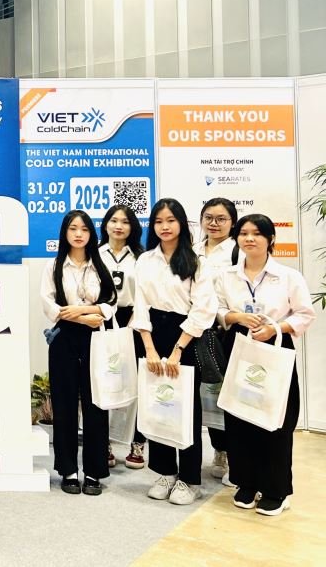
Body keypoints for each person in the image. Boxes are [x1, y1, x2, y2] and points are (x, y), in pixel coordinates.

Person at [215, 213, 315, 516]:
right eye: (243, 233)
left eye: (257, 233)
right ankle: (246, 482)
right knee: (239, 415)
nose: (249, 239)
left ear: (271, 239)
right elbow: (217, 309)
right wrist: (237, 317)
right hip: (239, 345)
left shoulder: (287, 276)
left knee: (275, 418)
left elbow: (305, 314)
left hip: (274, 346)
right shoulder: (227, 276)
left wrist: (275, 328)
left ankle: (275, 489)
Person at [132, 198, 218, 505]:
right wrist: (150, 349)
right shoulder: (145, 260)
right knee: (158, 403)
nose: (164, 227)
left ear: (181, 223)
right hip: (153, 334)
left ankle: (189, 479)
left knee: (186, 407)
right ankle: (165, 472)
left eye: (170, 220)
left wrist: (178, 349)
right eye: (159, 221)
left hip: (186, 336)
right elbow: (140, 305)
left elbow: (203, 309)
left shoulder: (196, 262)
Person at [40, 210, 117, 496]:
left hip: (96, 338)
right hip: (64, 338)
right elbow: (50, 306)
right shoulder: (54, 266)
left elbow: (111, 303)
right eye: (73, 228)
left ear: (91, 234)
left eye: (84, 229)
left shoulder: (100, 263)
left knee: (96, 404)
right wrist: (83, 316)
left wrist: (87, 312)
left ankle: (94, 471)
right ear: (65, 233)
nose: (78, 234)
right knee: (64, 404)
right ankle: (68, 470)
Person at [192, 197, 238, 485]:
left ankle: (235, 454)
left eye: (221, 218)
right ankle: (219, 449)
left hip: (226, 330)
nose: (214, 223)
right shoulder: (193, 250)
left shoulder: (236, 251)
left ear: (232, 222)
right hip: (198, 330)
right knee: (205, 392)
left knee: (229, 394)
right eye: (208, 217)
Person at [99, 204, 146, 470]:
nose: (119, 226)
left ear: (133, 227)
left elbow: (146, 295)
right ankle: (103, 442)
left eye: (125, 222)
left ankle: (137, 444)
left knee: (135, 384)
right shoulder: (94, 253)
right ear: (106, 224)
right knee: (103, 381)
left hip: (133, 322)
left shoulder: (142, 257)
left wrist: (133, 323)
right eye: (114, 220)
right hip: (100, 320)